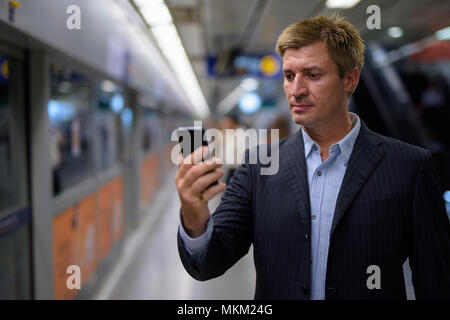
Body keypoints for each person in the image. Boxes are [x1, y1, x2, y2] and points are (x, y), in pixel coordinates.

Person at [175, 15, 450, 300]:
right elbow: (209, 262)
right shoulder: (260, 165)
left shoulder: (409, 166)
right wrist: (195, 219)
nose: (296, 90)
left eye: (313, 75)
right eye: (289, 75)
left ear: (350, 79)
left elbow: (437, 281)